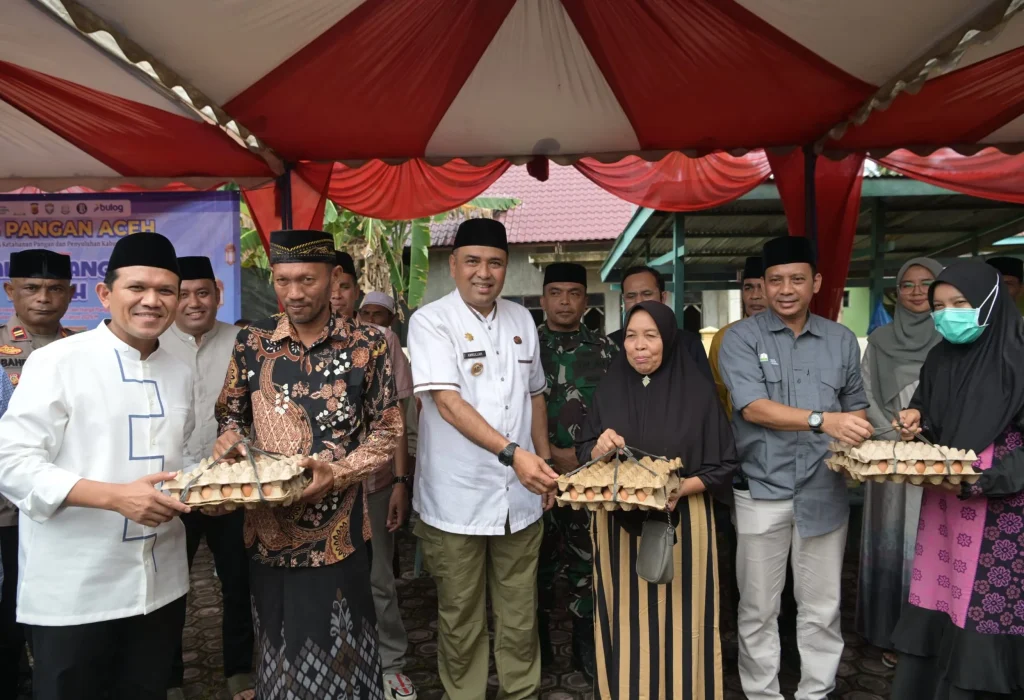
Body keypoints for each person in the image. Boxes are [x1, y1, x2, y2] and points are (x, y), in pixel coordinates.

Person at [0, 232, 194, 700]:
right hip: (76, 586)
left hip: (160, 584)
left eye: (165, 291)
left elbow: (177, 458)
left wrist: (212, 478)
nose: (152, 301)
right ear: (106, 294)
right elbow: (11, 462)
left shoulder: (180, 367)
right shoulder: (57, 362)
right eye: (137, 288)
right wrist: (115, 497)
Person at [214, 229, 401, 700]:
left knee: (345, 647)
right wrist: (231, 441)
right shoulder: (251, 344)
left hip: (339, 531)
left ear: (334, 278)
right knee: (279, 646)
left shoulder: (368, 345)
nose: (294, 293)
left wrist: (337, 473)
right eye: (283, 280)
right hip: (268, 528)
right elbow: (230, 415)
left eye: (307, 280)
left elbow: (387, 430)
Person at [408, 218, 558, 700]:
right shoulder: (430, 321)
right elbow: (448, 404)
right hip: (456, 500)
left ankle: (521, 692)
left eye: (494, 262)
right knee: (460, 616)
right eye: (472, 261)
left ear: (506, 267)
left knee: (519, 612)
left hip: (521, 496)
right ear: (453, 266)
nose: (484, 272)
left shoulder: (521, 319)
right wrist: (514, 454)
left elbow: (536, 394)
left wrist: (543, 458)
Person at [718, 236, 873, 700]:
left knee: (822, 607)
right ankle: (763, 694)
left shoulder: (842, 340)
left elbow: (857, 410)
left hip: (824, 490)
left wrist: (865, 436)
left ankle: (815, 693)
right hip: (761, 491)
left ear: (817, 283)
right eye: (776, 280)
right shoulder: (740, 338)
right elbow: (753, 408)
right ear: (761, 286)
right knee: (758, 608)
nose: (786, 289)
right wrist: (824, 421)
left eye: (797, 279)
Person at [577, 301, 737, 699]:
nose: (639, 346)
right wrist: (598, 448)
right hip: (617, 525)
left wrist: (676, 489)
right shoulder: (611, 387)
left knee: (685, 617)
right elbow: (586, 455)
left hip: (683, 520)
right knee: (626, 619)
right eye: (631, 336)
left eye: (650, 336)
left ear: (667, 339)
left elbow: (723, 464)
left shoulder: (697, 392)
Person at [889, 260, 1024, 700]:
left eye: (960, 303)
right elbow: (932, 420)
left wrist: (982, 481)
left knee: (981, 604)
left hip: (1003, 510)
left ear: (990, 301)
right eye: (940, 306)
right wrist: (916, 422)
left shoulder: (1019, 356)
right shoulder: (941, 357)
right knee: (940, 593)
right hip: (945, 504)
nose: (948, 314)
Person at [161, 256, 254, 700]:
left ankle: (240, 671)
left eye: (203, 293)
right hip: (171, 488)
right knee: (167, 587)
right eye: (183, 293)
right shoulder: (153, 343)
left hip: (231, 487)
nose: (194, 303)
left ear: (218, 292)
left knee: (238, 583)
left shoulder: (246, 343)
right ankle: (169, 676)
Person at [857, 257, 944, 669]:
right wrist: (892, 436)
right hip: (888, 460)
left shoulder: (953, 338)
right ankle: (888, 630)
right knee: (891, 544)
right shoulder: (880, 340)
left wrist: (926, 434)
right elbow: (865, 392)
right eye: (907, 284)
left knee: (929, 542)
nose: (915, 292)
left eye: (926, 284)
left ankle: (929, 633)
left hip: (937, 458)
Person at [535, 262, 616, 682]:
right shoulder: (524, 346)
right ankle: (541, 646)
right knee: (538, 565)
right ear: (543, 297)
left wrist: (583, 457)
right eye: (555, 292)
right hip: (537, 478)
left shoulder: (606, 350)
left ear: (585, 299)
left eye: (573, 293)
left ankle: (587, 644)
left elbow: (617, 412)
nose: (564, 301)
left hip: (591, 479)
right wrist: (552, 454)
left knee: (590, 565)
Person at [0, 248, 76, 698]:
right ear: (11, 291)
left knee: (51, 594)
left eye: (53, 289)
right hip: (4, 507)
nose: (43, 299)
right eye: (31, 288)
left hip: (63, 502)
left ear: (69, 293)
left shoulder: (83, 347)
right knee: (5, 599)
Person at [356, 290, 417, 700]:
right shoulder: (286, 345)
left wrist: (400, 480)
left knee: (379, 577)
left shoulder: (380, 341)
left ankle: (391, 663)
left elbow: (393, 414)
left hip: (374, 482)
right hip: (318, 488)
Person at [608, 265, 713, 382]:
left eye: (647, 294)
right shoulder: (610, 344)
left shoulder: (689, 345)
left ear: (663, 298)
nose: (639, 301)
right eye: (631, 296)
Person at [709, 256, 766, 416]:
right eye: (748, 288)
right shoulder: (724, 337)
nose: (755, 296)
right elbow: (717, 392)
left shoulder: (789, 335)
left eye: (762, 288)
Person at [331, 250, 361, 319]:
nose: (337, 295)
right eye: (330, 287)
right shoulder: (304, 329)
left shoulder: (377, 330)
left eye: (344, 287)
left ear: (356, 292)